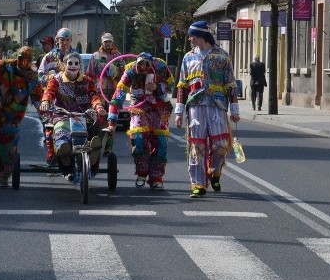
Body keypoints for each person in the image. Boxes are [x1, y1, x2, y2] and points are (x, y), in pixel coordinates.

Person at [174, 21, 240, 198]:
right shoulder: (188, 57)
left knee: (221, 145)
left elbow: (231, 85)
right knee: (197, 145)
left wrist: (234, 110)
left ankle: (214, 171)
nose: (189, 38)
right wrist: (179, 112)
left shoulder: (222, 56)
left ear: (200, 36)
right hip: (195, 106)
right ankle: (198, 184)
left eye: (191, 35)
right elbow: (182, 85)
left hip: (217, 105)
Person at [107, 52, 175, 189]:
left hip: (159, 108)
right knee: (138, 138)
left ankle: (156, 176)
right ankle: (142, 172)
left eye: (146, 65)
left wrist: (157, 88)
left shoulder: (161, 66)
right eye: (140, 65)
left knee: (160, 142)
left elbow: (171, 84)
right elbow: (119, 94)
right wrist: (112, 121)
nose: (143, 68)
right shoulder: (130, 70)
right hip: (139, 106)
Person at [0, 46, 44, 187]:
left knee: (8, 147)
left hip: (13, 116)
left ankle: (3, 175)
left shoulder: (32, 76)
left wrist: (44, 112)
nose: (23, 63)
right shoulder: (2, 66)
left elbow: (37, 98)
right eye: (21, 59)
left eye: (27, 60)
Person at [38, 52, 106, 176]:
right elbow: (49, 92)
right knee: (60, 133)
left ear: (80, 66)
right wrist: (45, 102)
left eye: (76, 63)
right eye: (70, 63)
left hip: (84, 115)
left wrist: (98, 106)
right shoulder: (56, 80)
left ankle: (92, 152)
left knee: (93, 130)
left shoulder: (87, 81)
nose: (73, 66)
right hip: (62, 115)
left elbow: (93, 95)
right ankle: (65, 154)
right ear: (64, 65)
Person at [37, 28, 74, 165]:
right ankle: (52, 153)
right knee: (50, 125)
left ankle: (72, 151)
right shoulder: (48, 57)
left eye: (67, 40)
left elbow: (82, 75)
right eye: (61, 40)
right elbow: (40, 76)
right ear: (57, 41)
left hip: (71, 97)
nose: (64, 43)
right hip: (51, 97)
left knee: (74, 124)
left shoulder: (75, 56)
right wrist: (51, 77)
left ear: (71, 41)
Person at [86, 32, 123, 155]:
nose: (107, 44)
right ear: (102, 42)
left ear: (112, 42)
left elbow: (124, 75)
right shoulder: (95, 55)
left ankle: (108, 147)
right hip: (99, 91)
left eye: (109, 41)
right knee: (100, 118)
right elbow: (89, 74)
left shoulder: (118, 56)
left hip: (113, 92)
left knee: (112, 119)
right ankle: (98, 144)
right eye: (105, 41)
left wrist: (114, 71)